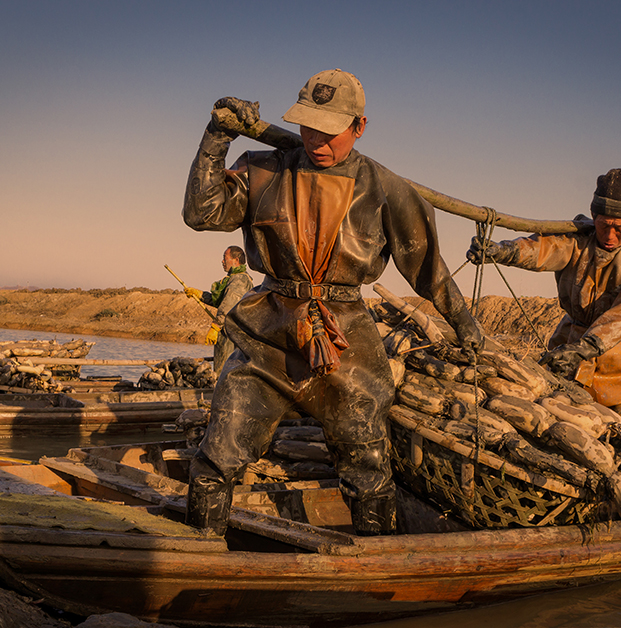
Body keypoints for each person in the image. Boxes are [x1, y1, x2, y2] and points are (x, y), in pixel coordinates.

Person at [182, 69, 482, 536]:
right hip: (270, 330)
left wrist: (467, 327)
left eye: (330, 130)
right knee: (220, 446)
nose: (316, 139)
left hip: (346, 335)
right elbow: (201, 213)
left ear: (359, 127)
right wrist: (215, 136)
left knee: (366, 457)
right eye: (307, 126)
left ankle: (374, 561)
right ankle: (197, 547)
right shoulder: (264, 167)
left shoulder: (387, 189)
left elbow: (428, 270)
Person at [467, 168, 621, 427]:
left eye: (619, 229)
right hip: (569, 350)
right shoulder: (578, 238)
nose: (609, 236)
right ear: (594, 215)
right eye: (603, 225)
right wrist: (502, 251)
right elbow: (545, 248)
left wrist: (588, 347)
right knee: (559, 418)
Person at [183, 246, 254, 374]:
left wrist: (215, 326)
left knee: (225, 372)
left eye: (224, 258)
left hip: (232, 336)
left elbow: (227, 306)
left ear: (236, 260)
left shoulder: (240, 280)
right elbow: (221, 301)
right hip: (230, 334)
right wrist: (199, 294)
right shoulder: (234, 278)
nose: (222, 261)